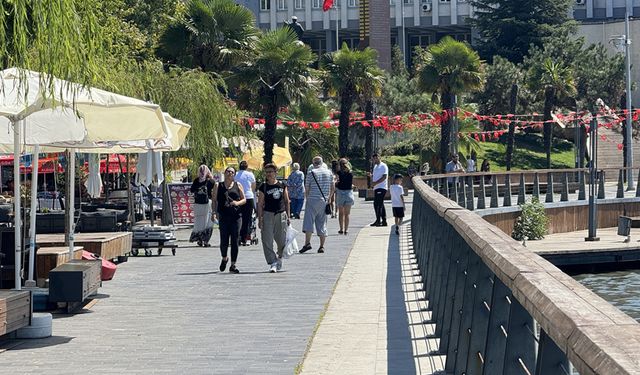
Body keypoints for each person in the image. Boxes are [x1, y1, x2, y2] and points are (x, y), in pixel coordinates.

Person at [212, 166, 246, 274]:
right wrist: (213, 213)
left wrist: (237, 203)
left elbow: (244, 199)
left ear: (234, 174)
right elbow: (214, 200)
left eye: (232, 172)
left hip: (236, 216)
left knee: (235, 240)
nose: (229, 173)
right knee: (224, 240)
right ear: (224, 173)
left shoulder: (238, 185)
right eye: (228, 171)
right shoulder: (218, 185)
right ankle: (224, 258)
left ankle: (233, 264)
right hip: (223, 216)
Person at [257, 163, 291, 273]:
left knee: (281, 240)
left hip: (280, 214)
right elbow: (260, 203)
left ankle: (279, 256)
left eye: (271, 172)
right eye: (267, 172)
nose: (269, 174)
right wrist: (260, 218)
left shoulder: (282, 185)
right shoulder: (264, 186)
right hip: (268, 214)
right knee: (267, 239)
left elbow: (286, 201)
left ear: (276, 172)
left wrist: (288, 216)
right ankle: (273, 262)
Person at [300, 156, 334, 254]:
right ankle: (322, 246)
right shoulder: (329, 173)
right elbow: (332, 187)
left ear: (313, 163)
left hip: (312, 200)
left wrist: (307, 198)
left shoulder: (311, 173)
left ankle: (307, 243)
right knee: (322, 222)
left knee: (309, 222)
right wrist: (328, 198)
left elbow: (307, 188)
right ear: (322, 162)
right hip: (324, 200)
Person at [189, 165, 215, 247]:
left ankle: (202, 240)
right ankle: (204, 240)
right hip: (203, 204)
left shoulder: (198, 180)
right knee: (205, 222)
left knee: (201, 222)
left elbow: (192, 190)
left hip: (202, 204)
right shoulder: (209, 181)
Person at [235, 161, 256, 246]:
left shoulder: (235, 174)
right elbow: (253, 185)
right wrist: (251, 191)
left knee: (238, 217)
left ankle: (238, 236)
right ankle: (245, 237)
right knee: (247, 219)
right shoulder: (250, 174)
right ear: (247, 167)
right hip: (248, 197)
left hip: (238, 197)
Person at [367, 153, 388, 227]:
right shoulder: (375, 166)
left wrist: (375, 183)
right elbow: (376, 175)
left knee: (377, 204)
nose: (374, 160)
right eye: (373, 159)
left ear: (379, 157)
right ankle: (384, 221)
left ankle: (378, 221)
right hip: (376, 187)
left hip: (381, 187)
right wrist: (371, 176)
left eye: (376, 158)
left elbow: (384, 177)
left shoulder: (383, 166)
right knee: (380, 204)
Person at [335, 158, 354, 235]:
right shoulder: (351, 173)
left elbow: (338, 183)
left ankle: (341, 229)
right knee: (347, 214)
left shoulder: (339, 173)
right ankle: (346, 229)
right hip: (348, 193)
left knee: (341, 213)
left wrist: (337, 183)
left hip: (340, 193)